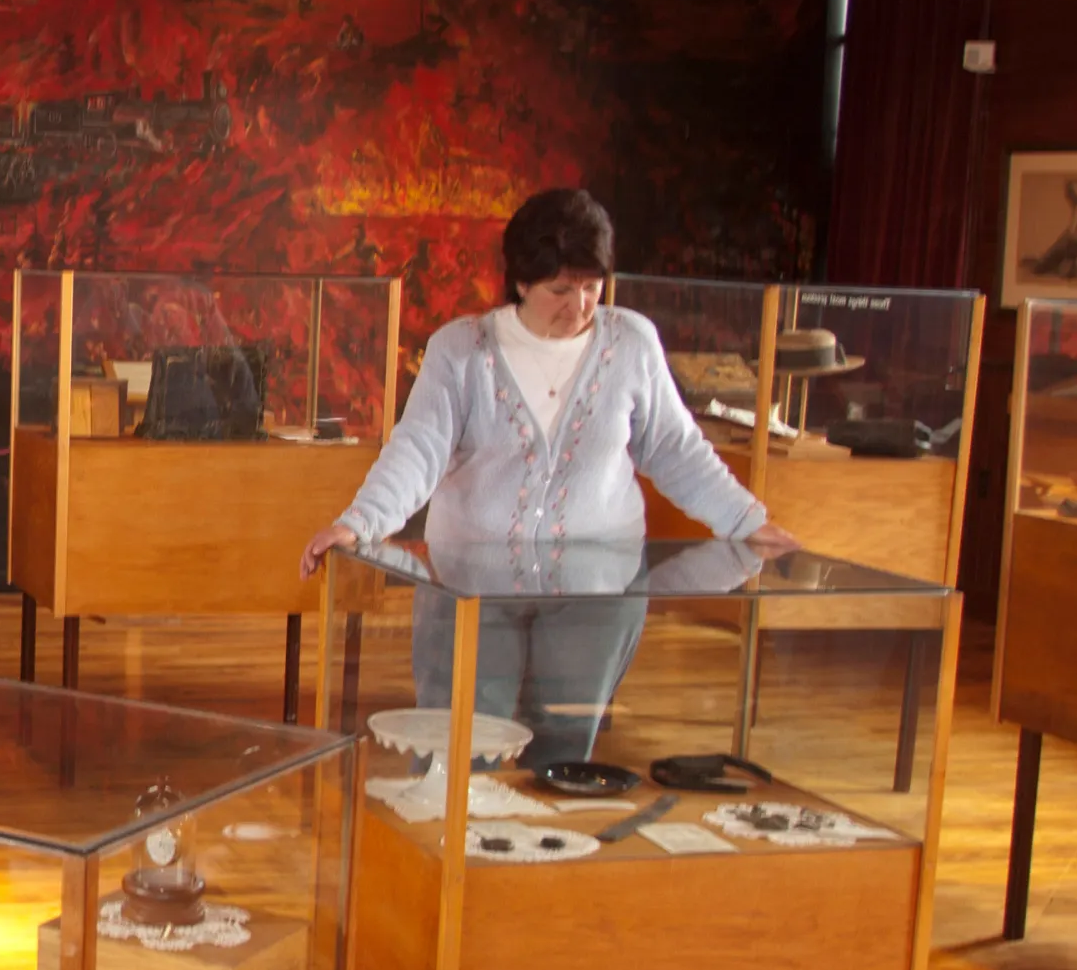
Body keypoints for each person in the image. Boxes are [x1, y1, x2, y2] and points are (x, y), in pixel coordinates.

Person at [300, 188, 799, 766]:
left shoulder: (632, 343)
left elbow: (675, 449)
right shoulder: (461, 351)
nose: (580, 305)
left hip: (598, 585)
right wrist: (358, 523)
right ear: (520, 282)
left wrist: (748, 522)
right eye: (561, 289)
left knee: (565, 753)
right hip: (469, 584)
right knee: (460, 745)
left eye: (592, 287)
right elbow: (418, 450)